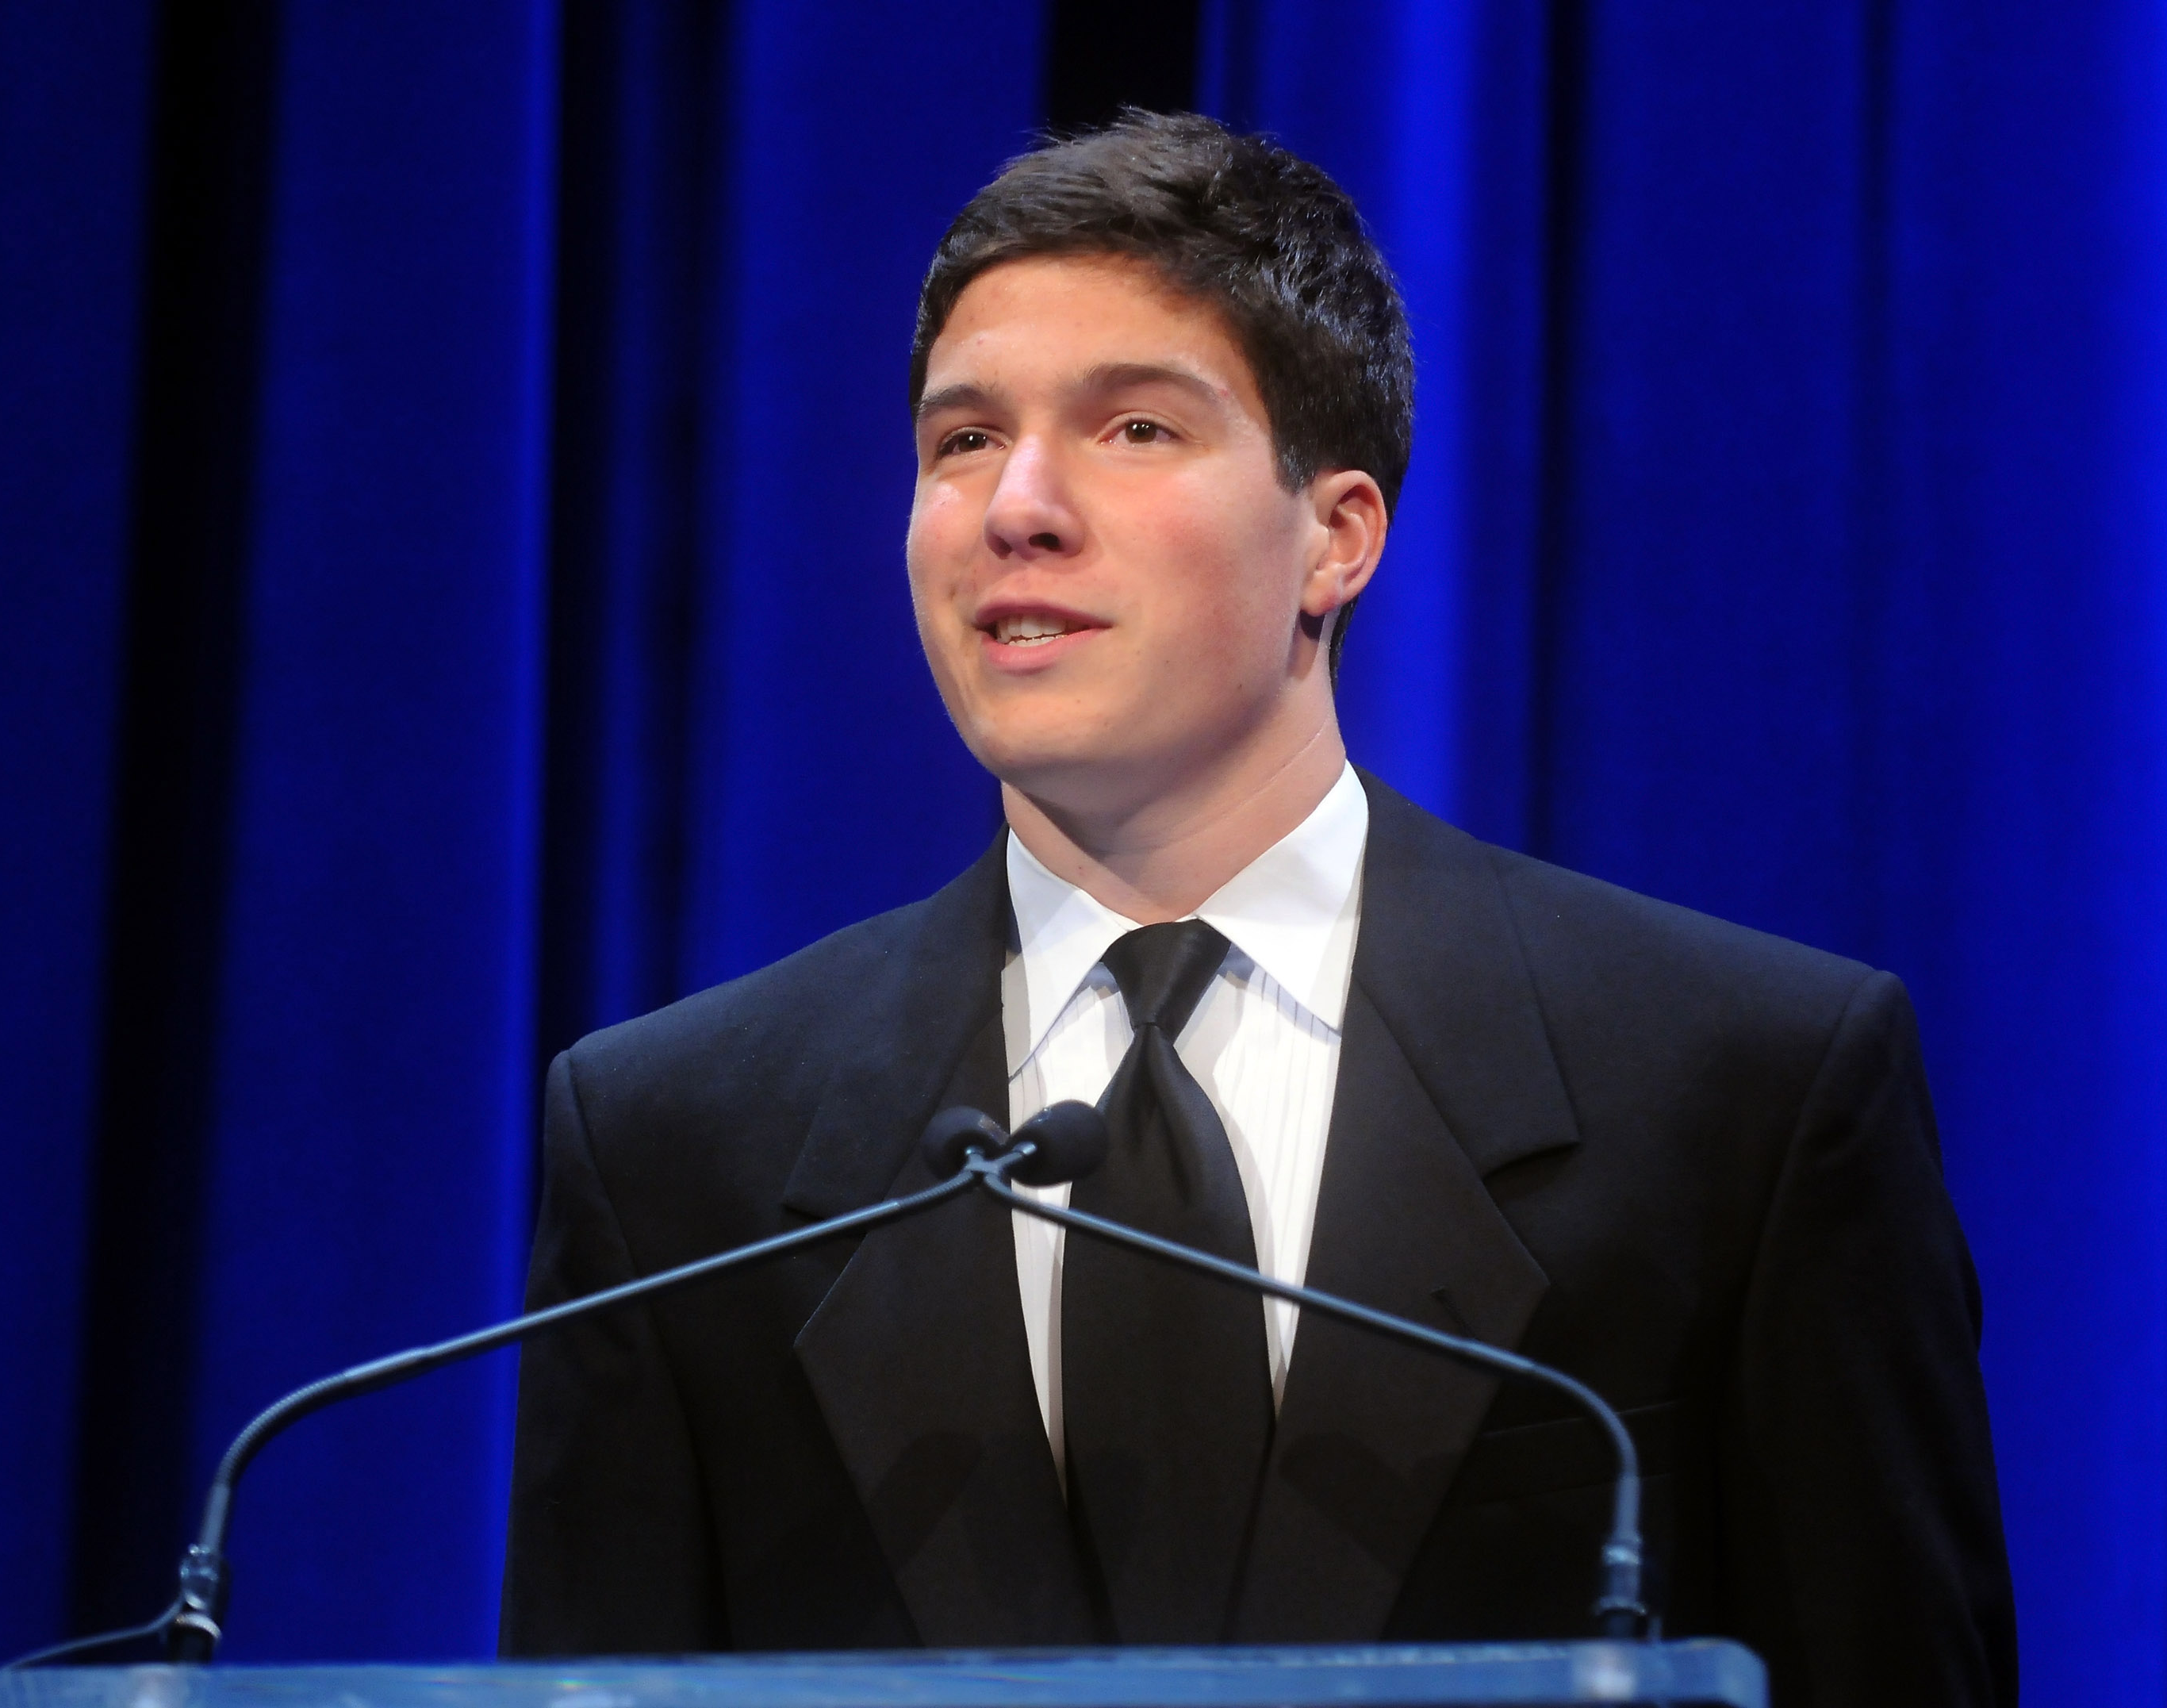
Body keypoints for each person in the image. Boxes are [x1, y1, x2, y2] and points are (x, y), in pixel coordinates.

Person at [501, 112, 2016, 1707]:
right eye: (962, 440)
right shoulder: (682, 1149)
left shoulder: (1742, 1092)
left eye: (1133, 429)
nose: (1017, 504)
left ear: (1336, 537)